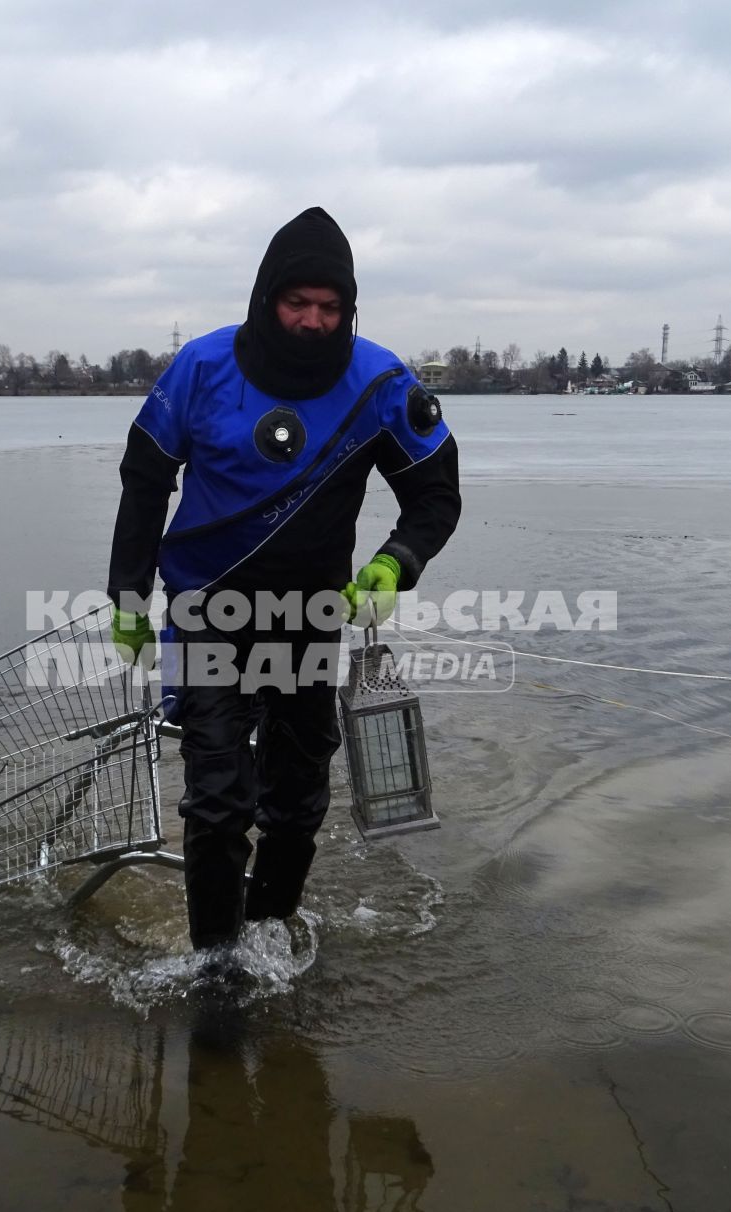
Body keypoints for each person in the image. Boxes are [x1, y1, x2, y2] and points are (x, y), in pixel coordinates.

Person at [106, 207, 461, 952]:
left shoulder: (380, 384)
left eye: (330, 307)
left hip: (311, 620)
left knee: (298, 802)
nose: (312, 321)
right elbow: (145, 479)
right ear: (266, 298)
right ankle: (216, 969)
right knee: (217, 803)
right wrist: (129, 596)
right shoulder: (202, 370)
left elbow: (436, 493)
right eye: (297, 303)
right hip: (208, 615)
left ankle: (270, 934)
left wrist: (397, 562)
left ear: (349, 309)